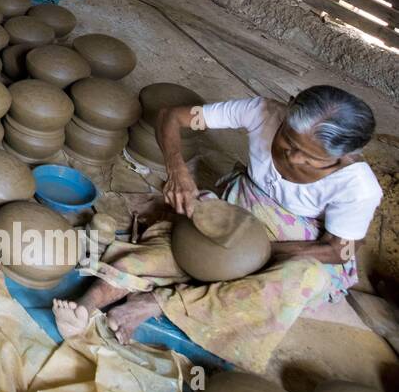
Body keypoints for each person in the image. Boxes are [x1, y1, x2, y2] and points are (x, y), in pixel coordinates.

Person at [53, 85, 381, 371]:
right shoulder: (263, 112)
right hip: (234, 215)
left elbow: (340, 250)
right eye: (288, 141)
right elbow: (172, 116)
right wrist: (177, 170)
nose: (293, 157)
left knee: (296, 281)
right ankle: (86, 305)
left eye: (310, 159)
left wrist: (257, 254)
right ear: (288, 111)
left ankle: (155, 304)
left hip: (293, 248)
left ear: (345, 157)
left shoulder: (357, 187)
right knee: (167, 249)